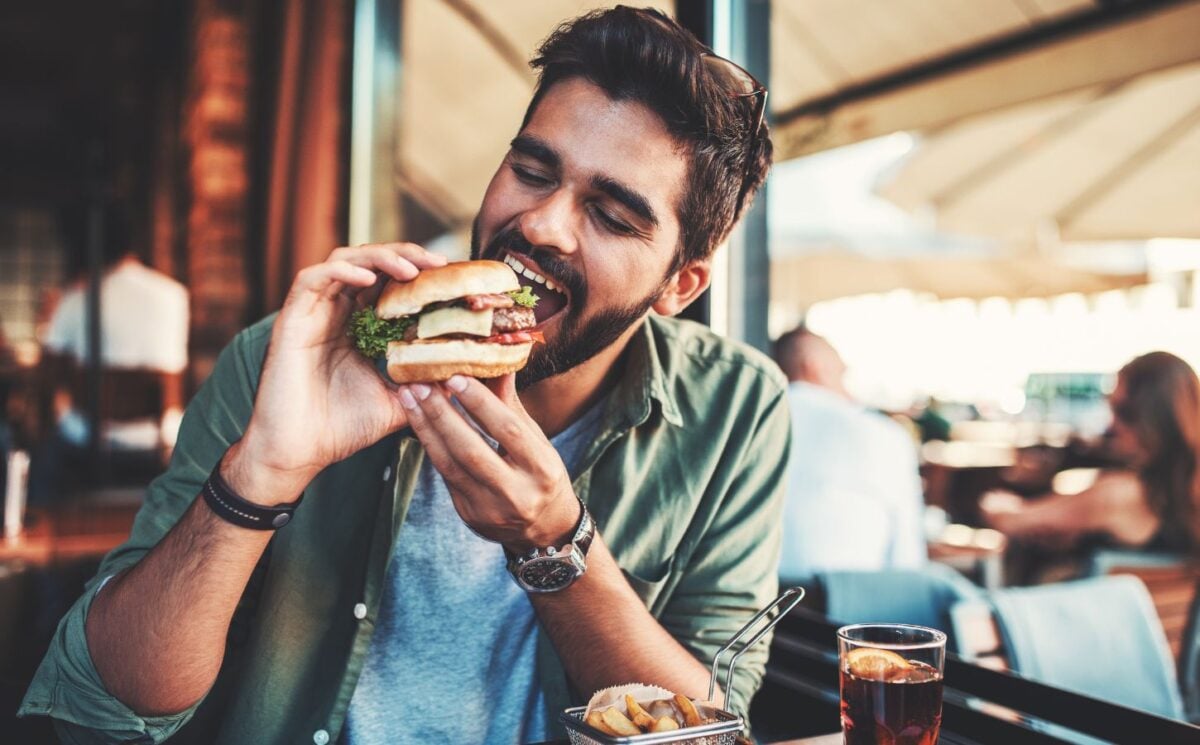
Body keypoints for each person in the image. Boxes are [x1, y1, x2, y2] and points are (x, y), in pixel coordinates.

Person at [20, 8, 788, 744]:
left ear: (679, 286)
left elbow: (707, 737)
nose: (545, 224)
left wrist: (557, 542)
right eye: (531, 169)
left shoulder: (737, 410)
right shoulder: (293, 356)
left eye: (613, 217)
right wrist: (262, 471)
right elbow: (96, 712)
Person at [983, 351, 1200, 554]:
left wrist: (999, 505)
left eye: (1123, 410)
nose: (1112, 424)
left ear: (1154, 419)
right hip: (1167, 595)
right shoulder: (1185, 496)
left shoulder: (1123, 496)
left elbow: (1011, 521)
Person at [772, 326, 926, 580]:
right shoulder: (880, 432)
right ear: (814, 366)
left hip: (760, 602)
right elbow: (906, 553)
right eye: (842, 372)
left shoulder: (747, 422)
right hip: (843, 599)